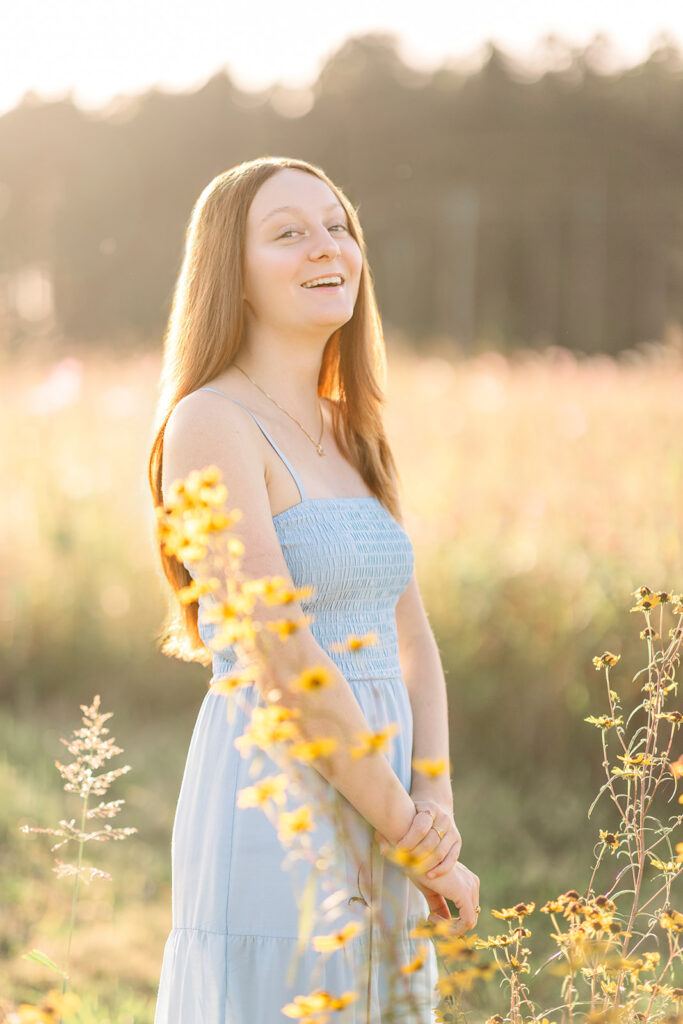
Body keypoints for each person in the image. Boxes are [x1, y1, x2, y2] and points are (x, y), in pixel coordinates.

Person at [148, 156, 480, 1023]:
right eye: (287, 232)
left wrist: (432, 805)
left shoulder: (352, 427)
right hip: (275, 809)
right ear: (236, 276)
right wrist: (411, 833)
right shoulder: (208, 423)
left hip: (390, 804)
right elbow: (279, 655)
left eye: (336, 226)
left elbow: (414, 641)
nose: (324, 246)